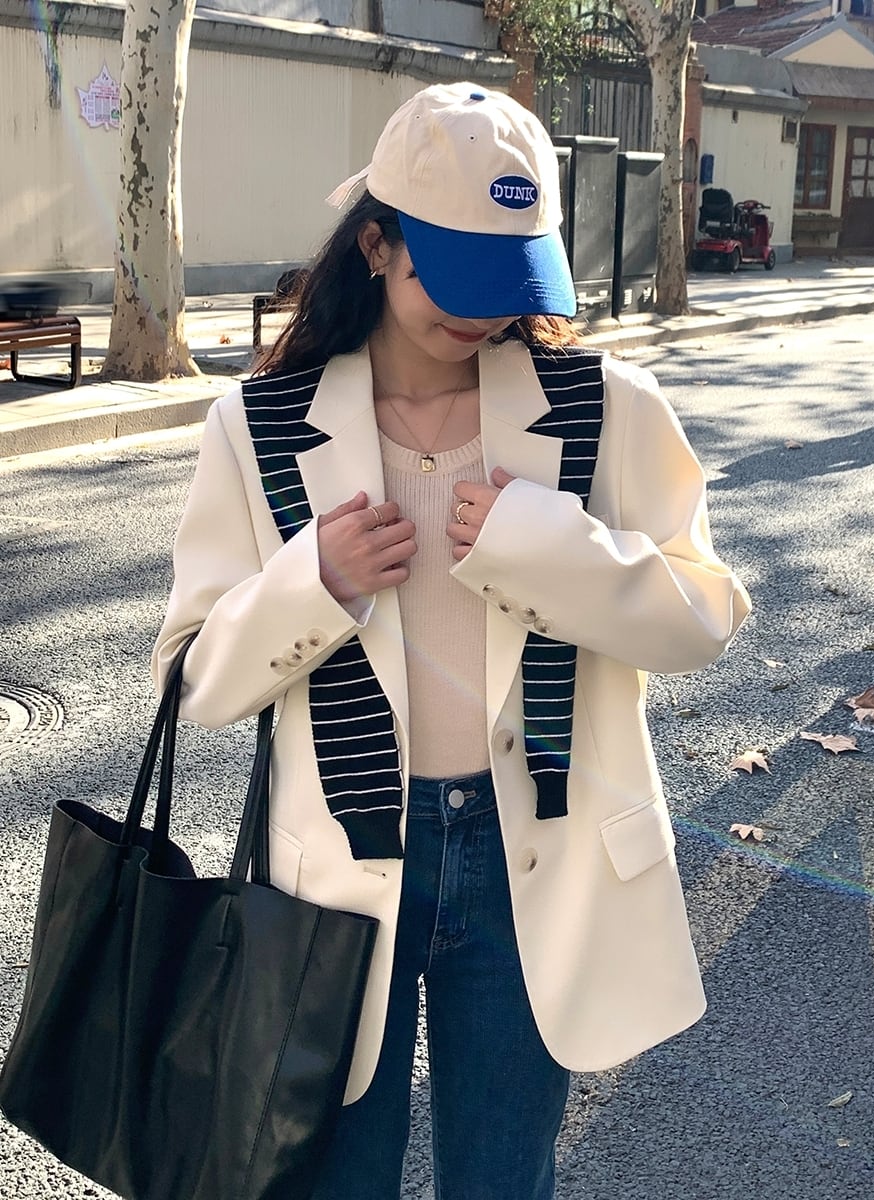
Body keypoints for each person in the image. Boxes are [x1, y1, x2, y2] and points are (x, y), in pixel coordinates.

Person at [153, 82, 751, 1200]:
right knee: (336, 1178)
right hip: (336, 871)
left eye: (507, 279)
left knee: (502, 1179)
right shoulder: (260, 425)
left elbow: (704, 617)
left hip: (539, 856)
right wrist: (313, 585)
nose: (479, 315)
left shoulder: (604, 407)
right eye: (452, 277)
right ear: (376, 245)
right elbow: (195, 680)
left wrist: (551, 550)